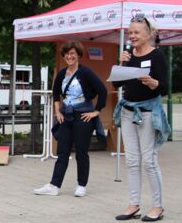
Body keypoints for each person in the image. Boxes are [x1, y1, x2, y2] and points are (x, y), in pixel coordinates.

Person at [113, 17, 170, 221]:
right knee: (131, 161)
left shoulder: (157, 56)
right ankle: (133, 204)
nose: (133, 36)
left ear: (148, 34)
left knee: (149, 161)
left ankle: (157, 207)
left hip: (147, 113)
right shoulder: (128, 56)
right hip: (128, 112)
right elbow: (115, 86)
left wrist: (152, 82)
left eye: (137, 32)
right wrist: (121, 63)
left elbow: (164, 88)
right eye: (130, 33)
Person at [34, 41, 107, 197]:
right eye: (67, 54)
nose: (70, 56)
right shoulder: (61, 74)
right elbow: (55, 94)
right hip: (66, 117)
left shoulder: (86, 73)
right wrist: (57, 112)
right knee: (62, 152)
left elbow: (102, 91)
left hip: (83, 117)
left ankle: (81, 185)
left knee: (81, 152)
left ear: (78, 55)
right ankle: (54, 185)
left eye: (73, 53)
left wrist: (96, 112)